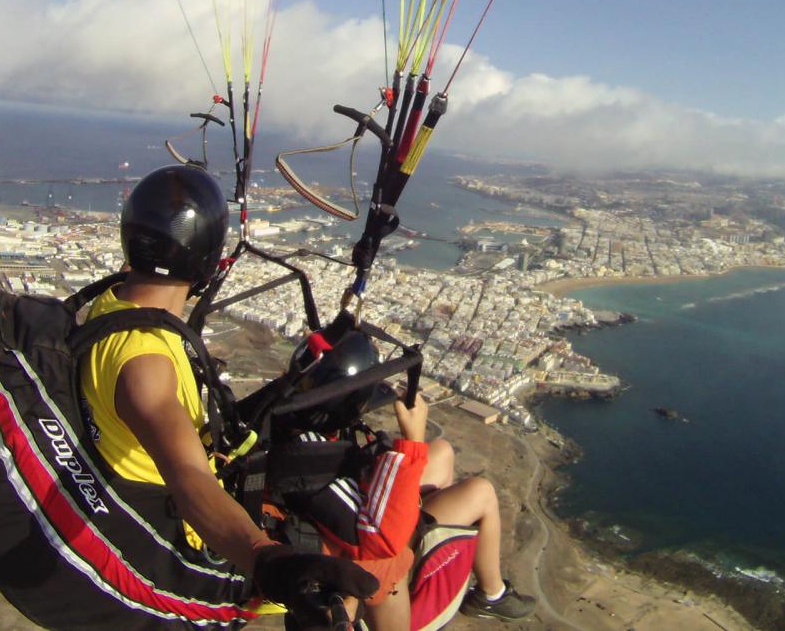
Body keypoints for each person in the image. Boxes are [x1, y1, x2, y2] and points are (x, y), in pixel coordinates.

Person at [79, 164, 379, 627]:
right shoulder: (146, 365)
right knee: (370, 563)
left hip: (146, 499)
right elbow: (189, 479)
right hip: (186, 542)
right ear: (207, 262)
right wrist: (266, 559)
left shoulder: (112, 304)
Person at [274, 330, 537, 628]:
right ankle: (490, 595)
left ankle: (425, 563)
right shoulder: (312, 463)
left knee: (442, 452)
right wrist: (412, 440)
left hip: (344, 520)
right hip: (370, 541)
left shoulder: (291, 423)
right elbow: (379, 536)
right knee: (482, 492)